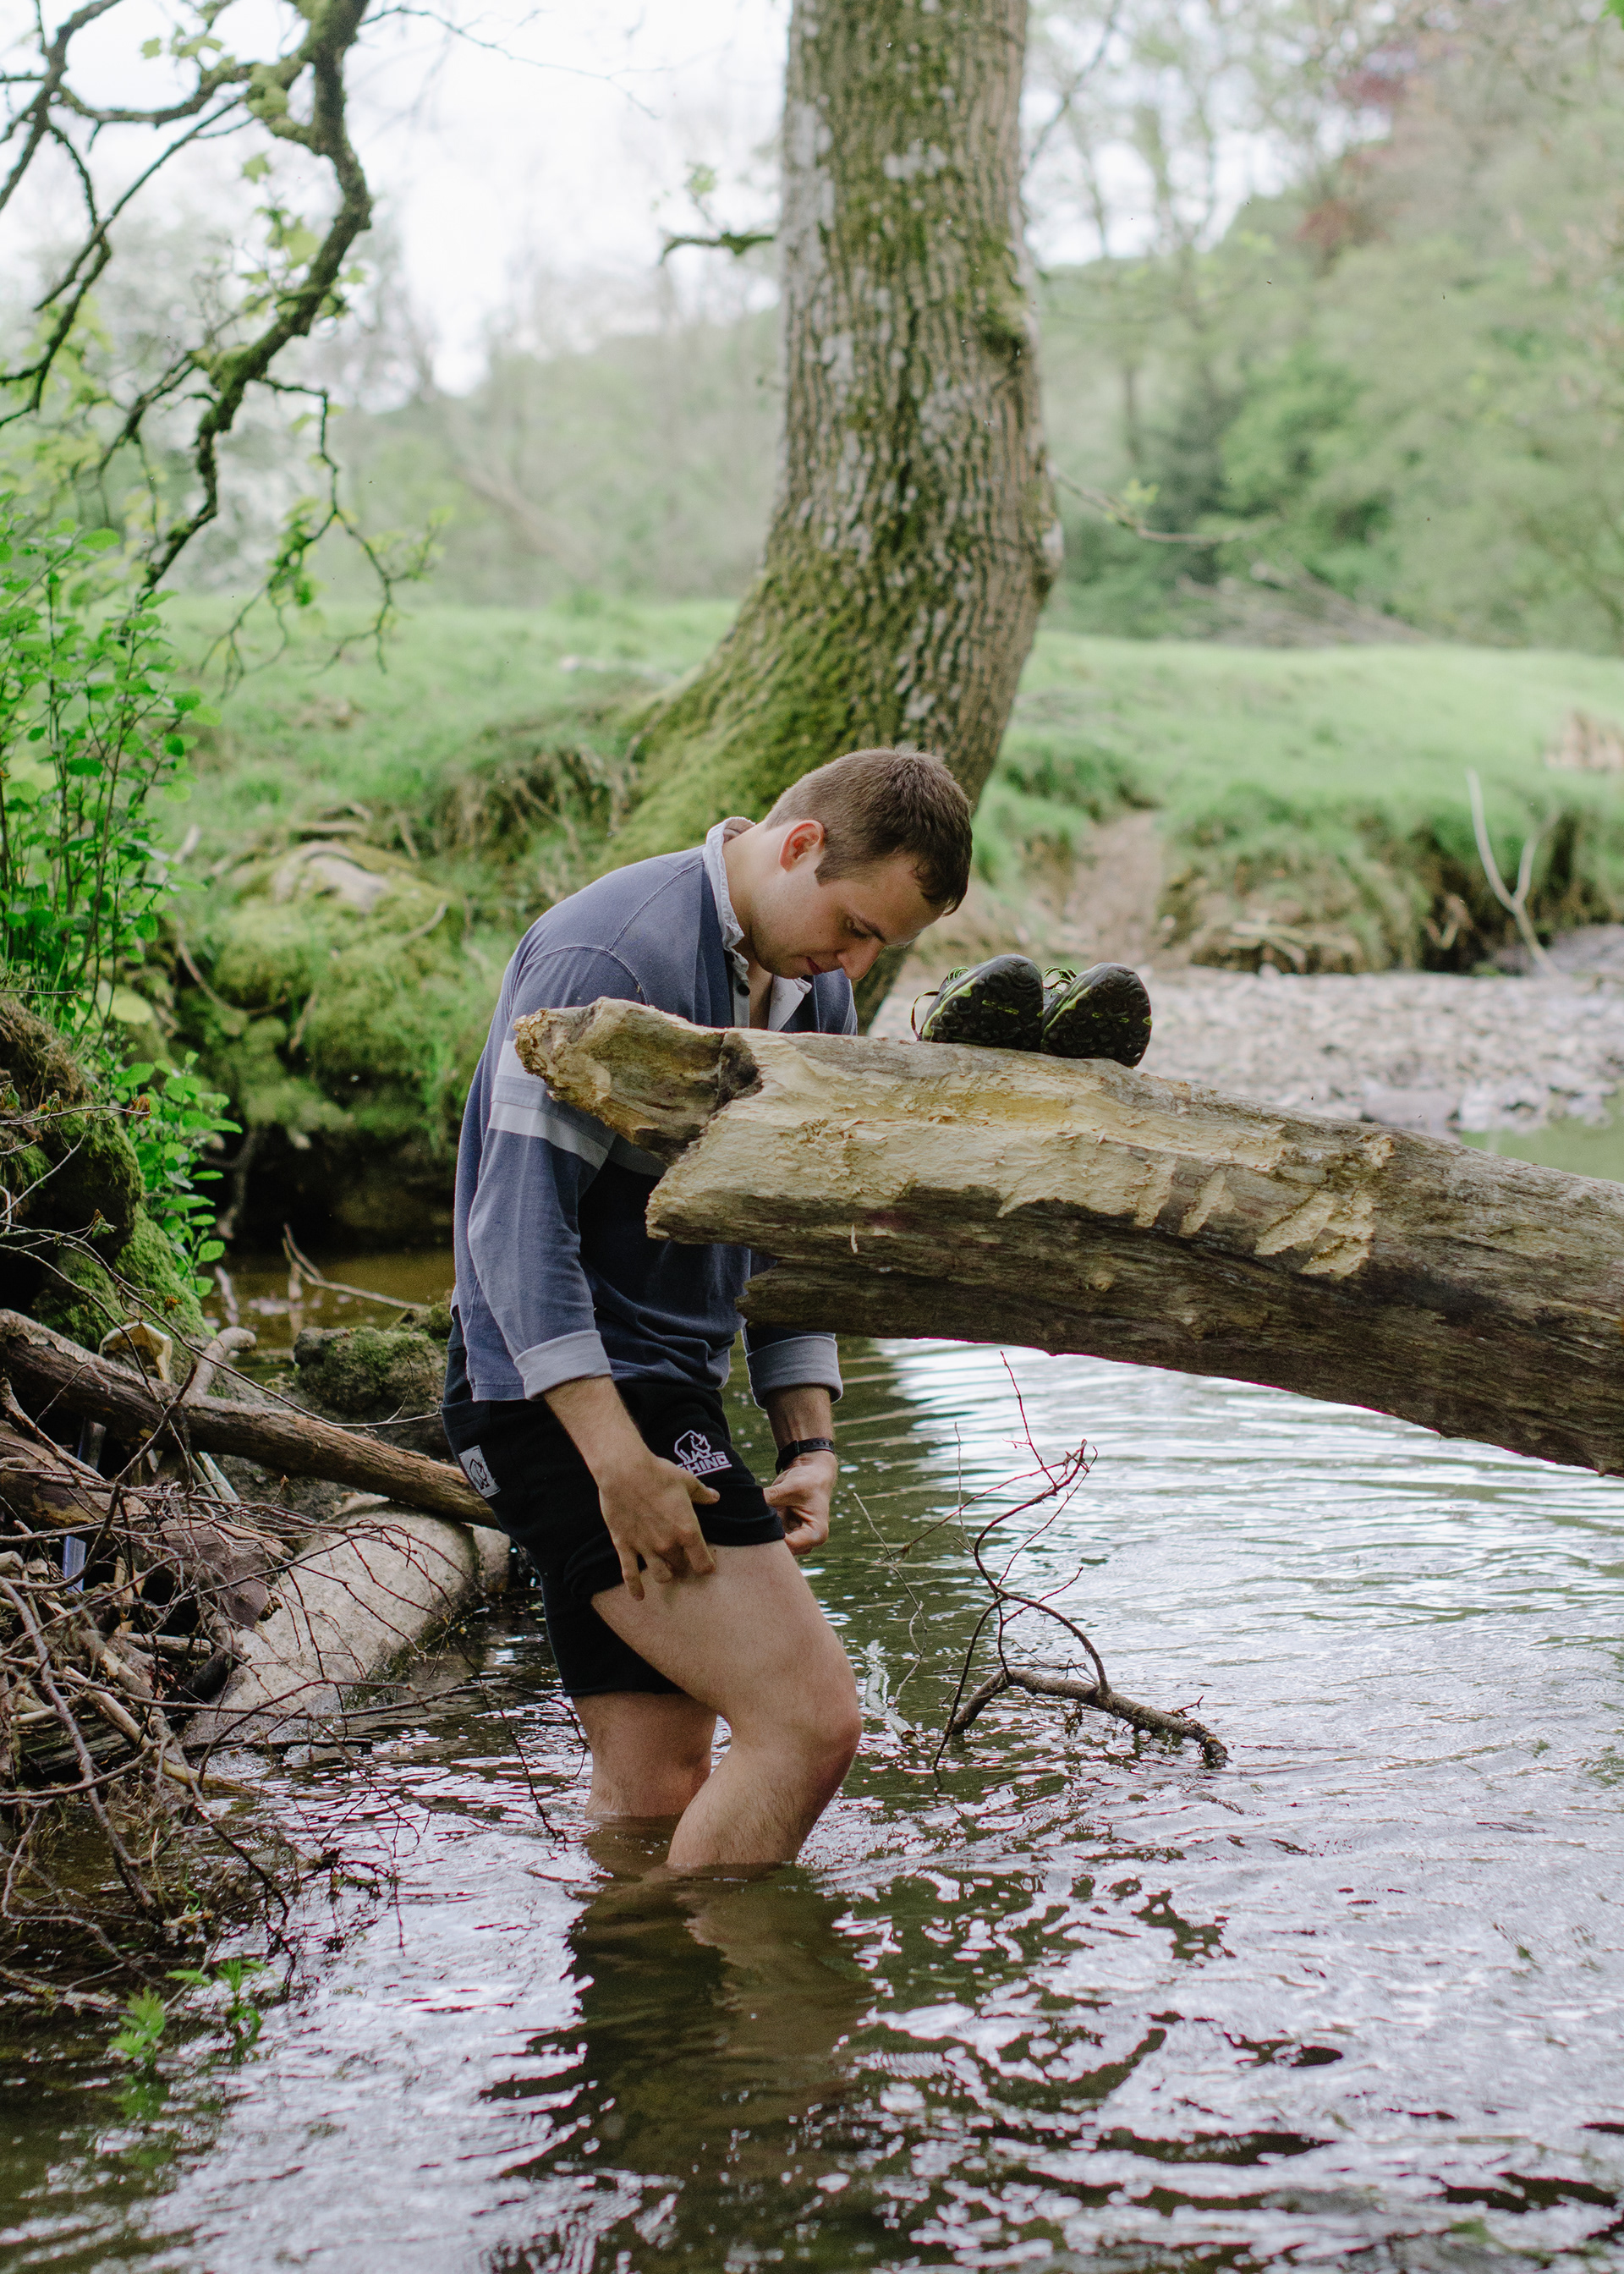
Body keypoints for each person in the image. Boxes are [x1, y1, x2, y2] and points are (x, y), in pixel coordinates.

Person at [443, 746, 973, 1872]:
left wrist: (809, 1437)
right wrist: (618, 1464)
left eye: (881, 947)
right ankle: (737, 1982)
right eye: (854, 927)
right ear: (799, 845)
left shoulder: (814, 989)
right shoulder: (609, 954)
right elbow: (513, 1232)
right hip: (550, 1400)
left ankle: (645, 1984)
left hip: (663, 1393)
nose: (857, 964)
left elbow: (787, 1223)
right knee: (809, 1726)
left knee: (654, 1789)